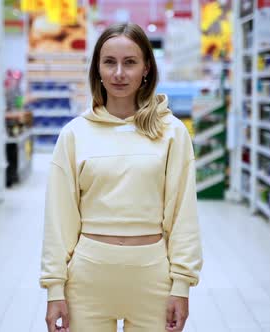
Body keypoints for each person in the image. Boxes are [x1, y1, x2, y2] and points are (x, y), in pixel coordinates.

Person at [40, 22, 203, 332]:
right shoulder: (74, 134)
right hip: (87, 279)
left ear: (146, 69)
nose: (118, 73)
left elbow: (184, 214)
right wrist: (54, 289)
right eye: (109, 62)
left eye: (130, 63)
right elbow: (58, 219)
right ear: (97, 69)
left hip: (152, 278)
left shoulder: (171, 132)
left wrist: (181, 286)